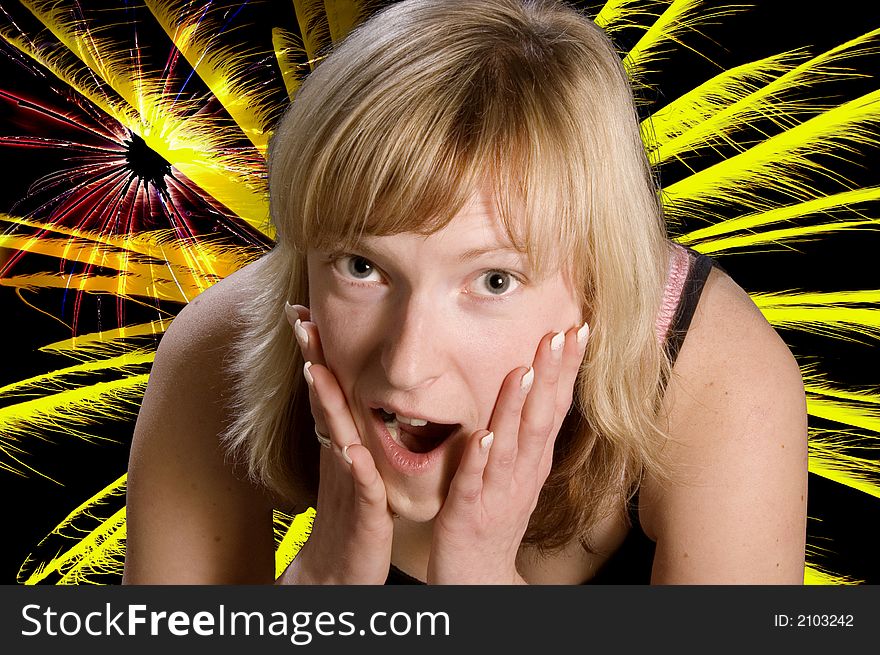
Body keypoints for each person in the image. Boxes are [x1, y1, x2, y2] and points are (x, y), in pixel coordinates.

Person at [122, 0, 808, 585]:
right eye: (363, 265)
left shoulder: (722, 387)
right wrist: (322, 582)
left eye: (493, 280)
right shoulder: (221, 346)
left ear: (594, 286)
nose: (406, 363)